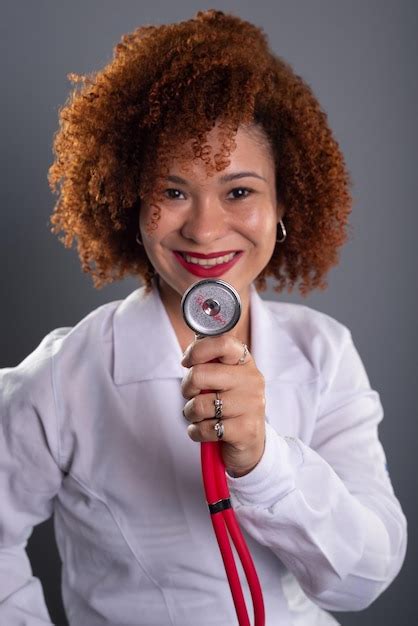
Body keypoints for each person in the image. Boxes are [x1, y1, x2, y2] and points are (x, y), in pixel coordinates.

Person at [0, 8, 407, 626]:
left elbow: (363, 581)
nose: (206, 228)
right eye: (172, 191)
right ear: (127, 204)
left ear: (282, 204)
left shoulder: (324, 351)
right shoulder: (66, 375)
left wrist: (264, 458)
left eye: (239, 191)